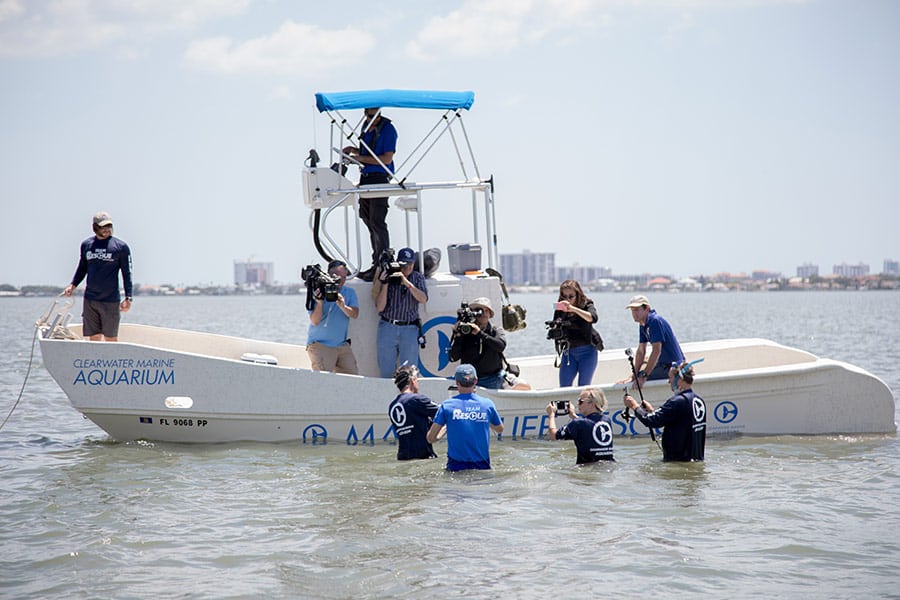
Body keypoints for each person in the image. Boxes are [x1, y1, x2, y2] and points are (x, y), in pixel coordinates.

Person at [342, 107, 398, 282]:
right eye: (367, 114)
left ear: (379, 113)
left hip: (378, 178)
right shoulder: (366, 126)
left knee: (377, 221)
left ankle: (382, 263)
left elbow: (386, 159)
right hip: (365, 178)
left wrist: (360, 159)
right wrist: (354, 151)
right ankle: (376, 262)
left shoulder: (388, 129)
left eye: (373, 115)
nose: (369, 118)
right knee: (367, 218)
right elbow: (368, 154)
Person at [63, 211, 133, 342]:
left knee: (111, 338)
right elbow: (82, 267)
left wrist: (128, 297)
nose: (107, 229)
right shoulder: (86, 245)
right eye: (103, 226)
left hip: (110, 300)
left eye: (109, 226)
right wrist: (73, 285)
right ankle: (94, 361)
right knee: (94, 338)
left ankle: (111, 361)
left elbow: (127, 273)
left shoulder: (121, 247)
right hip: (91, 299)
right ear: (95, 227)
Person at [623, 360, 706, 461]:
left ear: (680, 379)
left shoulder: (677, 402)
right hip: (695, 459)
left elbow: (651, 421)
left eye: (670, 378)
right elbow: (678, 420)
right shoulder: (699, 401)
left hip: (678, 462)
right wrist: (652, 411)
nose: (669, 381)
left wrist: (634, 406)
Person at [427, 364, 504, 471]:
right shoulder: (487, 404)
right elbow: (500, 429)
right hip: (482, 466)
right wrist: (483, 419)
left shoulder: (447, 406)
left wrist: (446, 428)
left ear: (457, 382)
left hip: (455, 467)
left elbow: (431, 438)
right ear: (476, 381)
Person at [374, 247, 428, 378]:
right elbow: (380, 307)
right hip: (388, 326)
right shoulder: (389, 275)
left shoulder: (417, 278)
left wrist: (406, 282)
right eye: (404, 264)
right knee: (386, 371)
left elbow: (423, 299)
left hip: (409, 328)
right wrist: (385, 283)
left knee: (409, 373)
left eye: (410, 264)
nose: (408, 267)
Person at [306, 259, 359, 374]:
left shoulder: (349, 292)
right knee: (323, 382)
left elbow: (355, 314)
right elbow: (315, 321)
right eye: (339, 278)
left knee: (354, 380)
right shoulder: (317, 290)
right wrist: (320, 302)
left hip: (342, 346)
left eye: (344, 278)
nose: (341, 281)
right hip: (320, 345)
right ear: (330, 276)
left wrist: (343, 306)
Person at [623, 295, 685, 385]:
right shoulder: (643, 324)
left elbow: (656, 350)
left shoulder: (655, 321)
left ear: (647, 308)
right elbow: (641, 351)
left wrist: (644, 376)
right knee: (637, 376)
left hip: (672, 367)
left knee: (641, 376)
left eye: (637, 310)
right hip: (662, 365)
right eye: (632, 310)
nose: (634, 314)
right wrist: (634, 375)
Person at [448, 297, 508, 389]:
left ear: (490, 314)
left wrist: (480, 334)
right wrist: (458, 337)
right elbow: (454, 357)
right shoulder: (466, 331)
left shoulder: (495, 330)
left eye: (486, 310)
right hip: (468, 379)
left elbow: (500, 346)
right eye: (480, 310)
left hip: (492, 378)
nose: (483, 313)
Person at [548, 280, 599, 387]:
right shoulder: (560, 307)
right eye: (564, 296)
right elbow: (555, 324)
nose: (567, 300)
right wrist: (555, 326)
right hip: (568, 353)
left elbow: (592, 318)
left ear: (578, 295)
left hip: (587, 352)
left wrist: (573, 309)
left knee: (583, 387)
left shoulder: (587, 304)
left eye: (571, 296)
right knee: (564, 387)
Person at [545, 388, 615, 464]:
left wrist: (551, 414)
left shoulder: (578, 423)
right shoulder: (606, 420)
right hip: (608, 466)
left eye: (580, 401)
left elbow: (553, 435)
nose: (578, 404)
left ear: (592, 404)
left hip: (587, 469)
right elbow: (589, 426)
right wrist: (573, 415)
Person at [388, 365, 441, 460]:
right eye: (417, 380)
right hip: (423, 457)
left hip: (403, 457)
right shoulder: (416, 399)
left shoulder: (392, 405)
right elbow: (444, 412)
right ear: (412, 380)